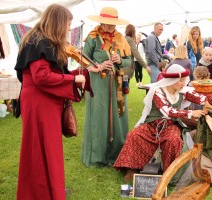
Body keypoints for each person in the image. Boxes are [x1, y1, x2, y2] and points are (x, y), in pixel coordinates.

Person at [14, 4, 88, 199]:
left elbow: (55, 73)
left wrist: (86, 73)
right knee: (40, 149)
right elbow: (41, 77)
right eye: (68, 25)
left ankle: (50, 189)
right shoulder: (39, 41)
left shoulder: (42, 40)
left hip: (43, 101)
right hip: (39, 102)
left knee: (47, 149)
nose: (68, 29)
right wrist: (73, 79)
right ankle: (41, 193)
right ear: (58, 23)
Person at [114, 64, 212, 182]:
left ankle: (170, 172)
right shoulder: (158, 92)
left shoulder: (184, 92)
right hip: (153, 124)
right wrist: (190, 113)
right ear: (171, 80)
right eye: (180, 81)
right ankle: (131, 170)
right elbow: (167, 111)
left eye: (184, 80)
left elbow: (204, 99)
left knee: (172, 140)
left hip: (170, 125)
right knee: (135, 135)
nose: (183, 83)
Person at [82, 7, 132, 167]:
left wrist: (119, 61)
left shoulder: (121, 38)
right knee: (100, 116)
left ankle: (118, 154)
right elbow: (83, 60)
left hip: (117, 85)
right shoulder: (93, 38)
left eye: (113, 24)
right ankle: (98, 156)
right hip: (98, 85)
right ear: (101, 22)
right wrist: (99, 65)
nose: (111, 27)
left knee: (118, 115)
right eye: (108, 24)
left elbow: (128, 61)